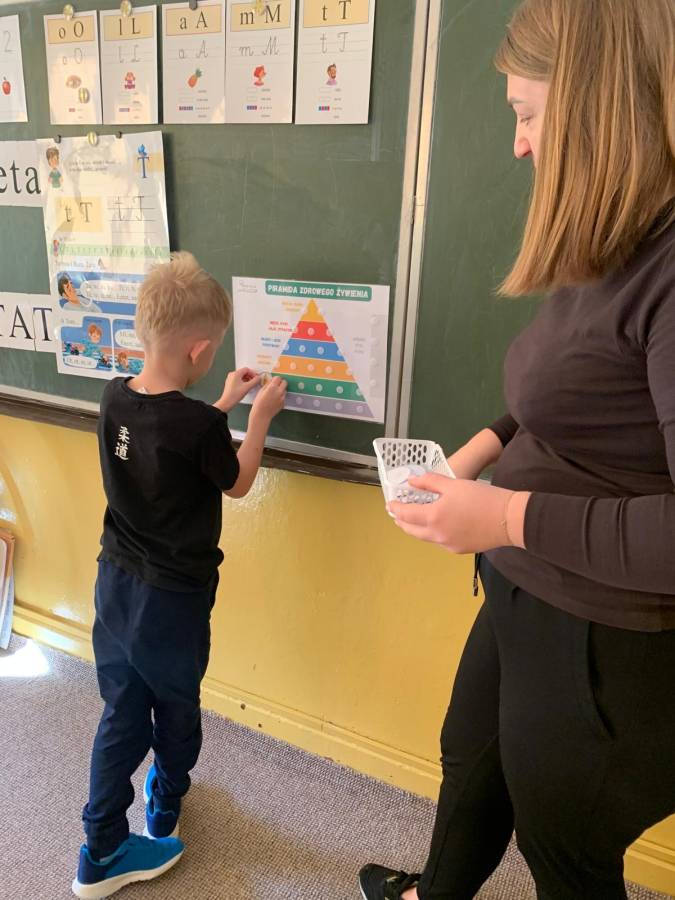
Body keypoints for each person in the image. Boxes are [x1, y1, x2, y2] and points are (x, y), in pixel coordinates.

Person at [359, 1, 675, 898]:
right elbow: (574, 388)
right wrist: (481, 447)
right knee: (470, 761)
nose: (518, 144)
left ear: (598, 108)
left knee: (561, 848)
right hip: (520, 585)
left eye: (527, 114)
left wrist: (502, 514)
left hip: (602, 638)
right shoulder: (616, 240)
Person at [72, 252, 287, 898]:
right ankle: (164, 804)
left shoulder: (114, 397)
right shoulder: (199, 427)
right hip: (172, 603)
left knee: (121, 711)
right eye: (212, 350)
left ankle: (100, 844)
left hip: (115, 586)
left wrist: (221, 404)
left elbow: (165, 439)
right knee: (175, 708)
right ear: (198, 350)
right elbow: (237, 481)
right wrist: (257, 418)